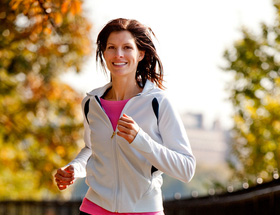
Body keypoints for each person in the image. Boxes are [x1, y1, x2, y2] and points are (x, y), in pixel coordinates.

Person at [54, 18, 196, 215]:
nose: (118, 54)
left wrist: (141, 140)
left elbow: (186, 169)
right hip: (94, 208)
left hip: (144, 210)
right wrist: (74, 169)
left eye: (127, 47)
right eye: (111, 47)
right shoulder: (91, 103)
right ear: (104, 53)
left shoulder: (157, 102)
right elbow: (91, 149)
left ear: (140, 54)